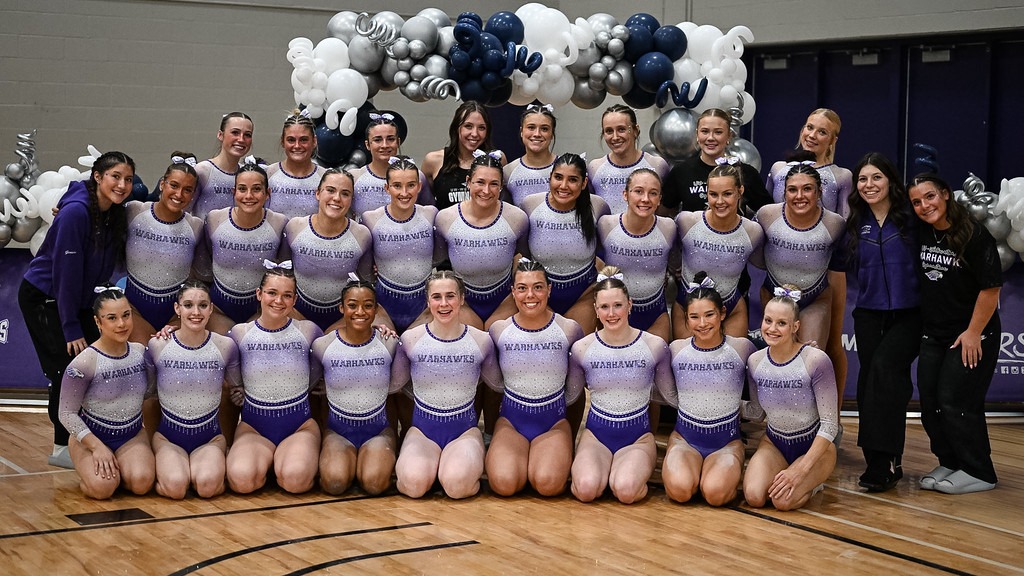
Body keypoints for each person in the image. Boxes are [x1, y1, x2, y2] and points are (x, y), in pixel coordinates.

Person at [20, 151, 136, 469]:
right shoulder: (75, 214)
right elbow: (65, 275)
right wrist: (70, 326)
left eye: (127, 179)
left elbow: (143, 193)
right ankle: (61, 447)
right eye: (115, 176)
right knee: (66, 370)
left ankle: (85, 439)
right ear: (97, 176)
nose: (122, 185)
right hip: (47, 298)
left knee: (87, 368)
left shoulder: (112, 212)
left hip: (79, 301)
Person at [909, 173, 1001, 494]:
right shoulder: (922, 232)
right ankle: (950, 460)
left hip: (972, 334)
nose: (924, 205)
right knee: (930, 400)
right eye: (917, 202)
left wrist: (974, 333)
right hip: (935, 333)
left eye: (930, 197)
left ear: (946, 195)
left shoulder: (975, 236)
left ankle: (979, 470)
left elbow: (990, 290)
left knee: (956, 400)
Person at [846, 153, 921, 492]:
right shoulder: (854, 222)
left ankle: (883, 462)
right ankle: (883, 458)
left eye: (876, 178)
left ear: (890, 181)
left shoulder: (911, 220)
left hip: (909, 314)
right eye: (863, 179)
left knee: (886, 376)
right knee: (871, 385)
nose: (869, 185)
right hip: (868, 313)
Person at [568, 267, 676, 504]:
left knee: (626, 491)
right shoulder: (582, 349)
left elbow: (672, 397)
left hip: (637, 438)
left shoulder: (654, 346)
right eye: (604, 307)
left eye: (617, 305)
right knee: (586, 489)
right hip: (597, 436)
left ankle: (624, 473)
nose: (611, 313)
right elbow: (567, 397)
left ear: (630, 304)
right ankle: (603, 470)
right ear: (595, 310)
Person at [391, 270, 502, 499]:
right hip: (423, 432)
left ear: (462, 299)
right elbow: (392, 385)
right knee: (414, 485)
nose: (444, 304)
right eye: (437, 297)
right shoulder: (411, 340)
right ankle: (432, 470)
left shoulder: (481, 341)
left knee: (457, 486)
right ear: (428, 301)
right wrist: (377, 341)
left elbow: (500, 385)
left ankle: (451, 468)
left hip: (463, 432)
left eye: (450, 296)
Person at [486, 259, 584, 497]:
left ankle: (552, 454)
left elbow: (575, 389)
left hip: (553, 424)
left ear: (549, 289)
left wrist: (565, 430)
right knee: (503, 483)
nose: (530, 295)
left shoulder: (569, 329)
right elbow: (494, 382)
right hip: (512, 423)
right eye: (522, 288)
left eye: (538, 287)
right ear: (513, 291)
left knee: (547, 484)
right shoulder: (498, 330)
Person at [225, 261, 324, 494]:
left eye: (287, 295)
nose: (279, 301)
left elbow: (326, 361)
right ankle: (266, 460)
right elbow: (210, 351)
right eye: (272, 293)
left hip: (299, 427)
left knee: (295, 480)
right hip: (254, 428)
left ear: (295, 300)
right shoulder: (240, 334)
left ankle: (288, 461)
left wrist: (381, 331)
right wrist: (167, 333)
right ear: (259, 294)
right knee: (242, 481)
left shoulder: (308, 331)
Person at [663, 272, 755, 506]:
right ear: (686, 318)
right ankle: (693, 468)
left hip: (726, 442)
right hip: (686, 439)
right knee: (680, 491)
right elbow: (663, 390)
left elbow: (772, 369)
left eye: (709, 315)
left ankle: (723, 469)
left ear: (722, 313)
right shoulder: (675, 350)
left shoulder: (743, 349)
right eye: (694, 317)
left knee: (715, 494)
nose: (702, 324)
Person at [744, 287, 838, 511]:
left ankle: (814, 483)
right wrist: (714, 405)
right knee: (754, 497)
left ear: (796, 326)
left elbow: (830, 425)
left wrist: (801, 469)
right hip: (775, 443)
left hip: (814, 447)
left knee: (782, 501)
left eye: (781, 323)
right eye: (768, 320)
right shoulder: (755, 362)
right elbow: (757, 413)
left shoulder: (815, 360)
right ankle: (786, 470)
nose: (772, 329)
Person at [145, 280, 240, 499]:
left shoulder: (225, 346)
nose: (195, 312)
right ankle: (171, 470)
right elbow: (148, 396)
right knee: (176, 488)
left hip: (210, 438)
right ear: (177, 309)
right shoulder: (158, 346)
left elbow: (238, 390)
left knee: (207, 487)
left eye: (203, 305)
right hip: (168, 438)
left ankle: (210, 467)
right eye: (188, 305)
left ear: (211, 309)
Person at [58, 287, 155, 499]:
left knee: (142, 483)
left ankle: (121, 468)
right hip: (92, 437)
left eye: (126, 315)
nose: (121, 324)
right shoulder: (84, 363)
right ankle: (97, 472)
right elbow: (66, 414)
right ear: (98, 322)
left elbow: (151, 393)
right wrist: (96, 447)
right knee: (102, 489)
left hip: (131, 435)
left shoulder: (140, 353)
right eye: (112, 318)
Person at [756, 163, 846, 383]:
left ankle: (821, 417)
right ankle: (776, 417)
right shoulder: (767, 215)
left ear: (819, 192)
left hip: (815, 298)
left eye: (807, 189)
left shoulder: (835, 224)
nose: (800, 196)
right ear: (784, 192)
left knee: (809, 364)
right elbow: (750, 251)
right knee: (778, 362)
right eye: (792, 190)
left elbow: (841, 265)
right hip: (774, 295)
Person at [312, 278, 400, 495]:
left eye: (368, 305)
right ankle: (342, 461)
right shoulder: (323, 345)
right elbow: (311, 385)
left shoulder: (389, 343)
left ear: (376, 309)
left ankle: (373, 460)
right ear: (342, 307)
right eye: (352, 305)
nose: (360, 311)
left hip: (378, 431)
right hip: (338, 432)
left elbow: (398, 389)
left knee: (374, 484)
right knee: (335, 484)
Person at [435, 151, 529, 328]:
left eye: (494, 184)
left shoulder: (517, 218)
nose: (486, 191)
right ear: (468, 182)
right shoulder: (445, 218)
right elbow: (432, 260)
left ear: (501, 186)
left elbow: (525, 256)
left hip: (505, 300)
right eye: (480, 182)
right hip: (463, 302)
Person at [521, 152, 609, 334]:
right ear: (550, 177)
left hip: (583, 294)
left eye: (572, 180)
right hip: (540, 295)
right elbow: (520, 252)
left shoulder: (597, 207)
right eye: (558, 177)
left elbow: (603, 249)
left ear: (584, 183)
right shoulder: (530, 205)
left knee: (579, 351)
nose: (563, 186)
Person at [675, 163, 764, 339]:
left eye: (727, 194)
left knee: (733, 365)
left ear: (740, 191)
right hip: (689, 308)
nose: (720, 201)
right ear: (706, 194)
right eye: (713, 194)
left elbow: (762, 265)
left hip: (732, 309)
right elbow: (669, 252)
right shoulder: (687, 222)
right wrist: (675, 267)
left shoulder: (753, 232)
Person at [123, 153, 204, 342]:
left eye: (187, 190)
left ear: (193, 195)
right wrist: (68, 202)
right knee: (144, 359)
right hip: (134, 309)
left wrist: (181, 319)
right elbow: (99, 207)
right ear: (162, 184)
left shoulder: (196, 226)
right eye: (174, 185)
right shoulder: (134, 211)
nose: (179, 194)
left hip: (176, 314)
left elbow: (202, 275)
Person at [200, 160, 288, 332]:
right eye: (242, 189)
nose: (248, 196)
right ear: (234, 192)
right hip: (219, 309)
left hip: (260, 310)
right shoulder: (214, 219)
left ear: (267, 193)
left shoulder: (279, 223)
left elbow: (284, 270)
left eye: (256, 189)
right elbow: (204, 266)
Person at [281, 168, 373, 330]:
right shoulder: (295, 227)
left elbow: (368, 282)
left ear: (352, 199)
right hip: (297, 314)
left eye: (345, 194)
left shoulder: (361, 235)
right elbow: (281, 276)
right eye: (330, 190)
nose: (337, 198)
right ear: (318, 193)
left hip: (343, 319)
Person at [362, 156, 442, 333]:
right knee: (387, 349)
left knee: (415, 348)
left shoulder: (430, 215)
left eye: (411, 185)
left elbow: (439, 256)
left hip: (423, 305)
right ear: (387, 188)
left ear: (419, 187)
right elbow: (364, 267)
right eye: (397, 186)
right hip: (383, 305)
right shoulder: (371, 219)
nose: (404, 193)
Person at [597, 168, 675, 342]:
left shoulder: (669, 228)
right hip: (614, 314)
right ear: (625, 194)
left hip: (654, 314)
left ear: (660, 199)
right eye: (638, 191)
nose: (645, 199)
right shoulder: (606, 225)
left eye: (653, 193)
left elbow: (678, 263)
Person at [660, 108, 771, 217]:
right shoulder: (681, 172)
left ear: (728, 136)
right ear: (697, 135)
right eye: (705, 131)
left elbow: (768, 213)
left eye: (718, 132)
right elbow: (664, 211)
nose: (710, 138)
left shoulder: (746, 173)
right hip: (694, 234)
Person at [766, 109, 853, 219]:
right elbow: (763, 213)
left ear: (832, 140)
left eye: (822, 132)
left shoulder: (842, 176)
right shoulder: (778, 168)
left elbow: (845, 223)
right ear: (803, 130)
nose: (812, 135)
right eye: (810, 127)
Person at [588, 104, 669, 214]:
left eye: (621, 129)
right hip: (605, 230)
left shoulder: (656, 165)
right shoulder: (595, 167)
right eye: (609, 131)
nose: (615, 137)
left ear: (636, 130)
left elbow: (665, 213)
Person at [422, 101, 504, 211]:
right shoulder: (434, 161)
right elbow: (425, 205)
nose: (474, 134)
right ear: (456, 128)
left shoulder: (497, 158)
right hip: (446, 227)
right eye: (468, 126)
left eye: (481, 128)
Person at [349, 112, 429, 219]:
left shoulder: (416, 176)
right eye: (377, 140)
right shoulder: (355, 177)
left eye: (390, 139)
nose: (385, 145)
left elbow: (428, 213)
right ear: (367, 144)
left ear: (398, 142)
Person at [191, 112, 254, 220]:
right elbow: (183, 214)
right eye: (235, 132)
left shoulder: (247, 174)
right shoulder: (203, 171)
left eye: (247, 135)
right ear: (220, 135)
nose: (241, 139)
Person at [265, 109, 326, 220]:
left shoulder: (325, 177)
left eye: (303, 140)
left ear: (314, 141)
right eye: (291, 140)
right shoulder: (268, 174)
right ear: (282, 142)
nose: (297, 146)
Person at [505, 104, 557, 207]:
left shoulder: (563, 167)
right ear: (521, 131)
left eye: (544, 129)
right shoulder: (508, 171)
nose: (537, 134)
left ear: (552, 134)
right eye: (531, 127)